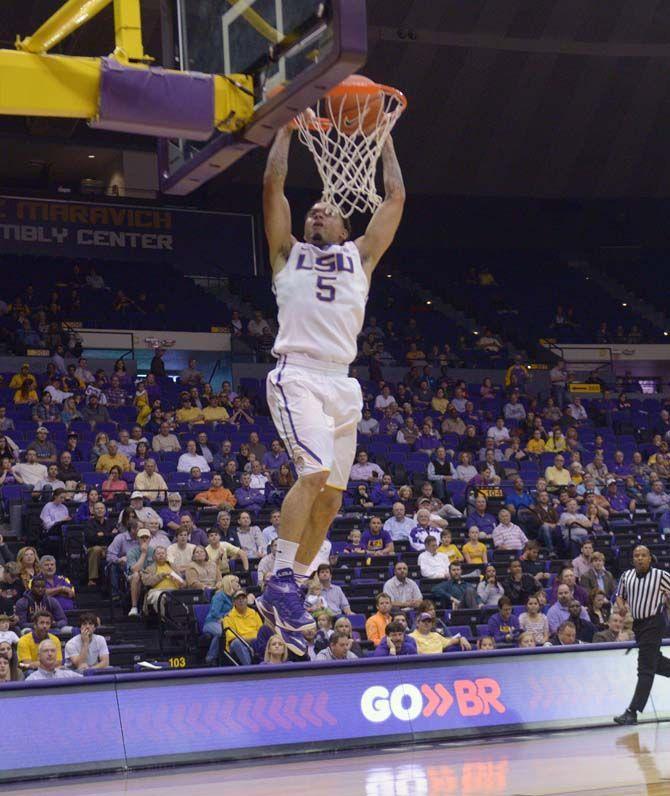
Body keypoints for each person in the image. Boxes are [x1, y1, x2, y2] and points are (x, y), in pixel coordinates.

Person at [257, 118, 404, 656]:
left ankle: (288, 587)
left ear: (345, 228)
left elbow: (396, 195)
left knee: (333, 499)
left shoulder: (360, 258)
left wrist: (381, 136)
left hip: (342, 383)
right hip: (297, 373)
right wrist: (286, 131)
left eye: (329, 209)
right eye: (313, 209)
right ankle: (278, 576)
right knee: (313, 471)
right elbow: (272, 186)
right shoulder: (285, 252)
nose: (318, 211)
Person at [613, 545, 670, 725]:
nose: (639, 558)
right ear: (632, 559)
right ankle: (632, 712)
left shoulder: (661, 576)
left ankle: (632, 712)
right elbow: (619, 594)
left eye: (643, 555)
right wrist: (621, 606)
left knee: (645, 668)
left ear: (650, 558)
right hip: (638, 625)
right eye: (636, 555)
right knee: (654, 662)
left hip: (654, 623)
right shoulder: (626, 576)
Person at [222, 589, 263, 665]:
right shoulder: (228, 617)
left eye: (243, 598)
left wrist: (255, 640)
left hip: (255, 641)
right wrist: (248, 640)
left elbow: (261, 631)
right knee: (237, 643)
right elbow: (231, 637)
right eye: (238, 599)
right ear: (234, 602)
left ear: (247, 600)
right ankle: (249, 669)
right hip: (239, 643)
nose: (241, 601)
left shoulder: (254, 613)